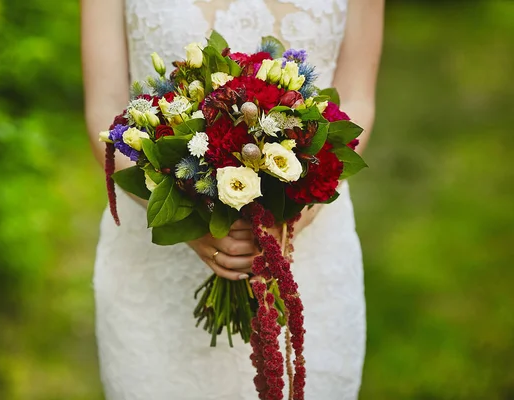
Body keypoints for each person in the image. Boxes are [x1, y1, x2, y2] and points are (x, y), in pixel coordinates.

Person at [81, 0, 383, 398]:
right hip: (153, 269)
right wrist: (188, 220)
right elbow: (105, 109)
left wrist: (294, 212)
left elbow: (357, 97)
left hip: (310, 252)